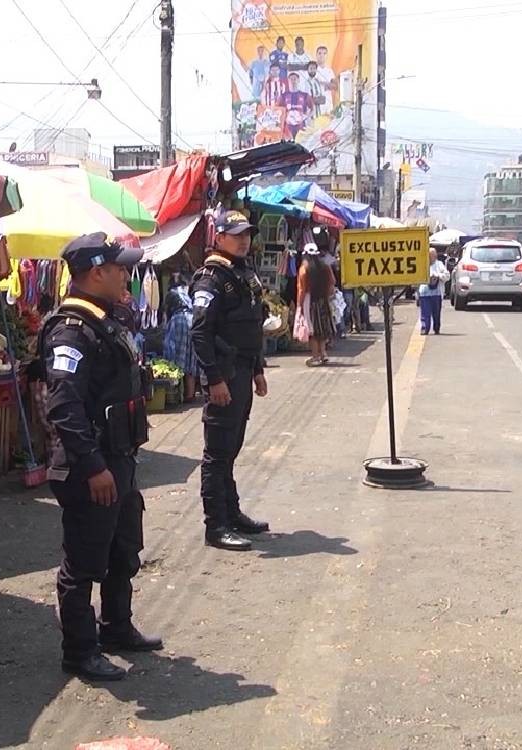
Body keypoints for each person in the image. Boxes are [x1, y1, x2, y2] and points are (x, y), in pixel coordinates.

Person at [40, 233, 162, 682]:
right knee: (84, 562)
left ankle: (116, 628)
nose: (127, 275)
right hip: (89, 466)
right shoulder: (71, 330)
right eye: (120, 268)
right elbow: (63, 406)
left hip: (119, 458)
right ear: (96, 273)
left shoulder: (103, 321)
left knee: (122, 550)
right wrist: (93, 467)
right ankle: (79, 650)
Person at [191, 208, 270, 552]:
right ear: (219, 237)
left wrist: (258, 369)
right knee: (217, 452)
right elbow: (200, 333)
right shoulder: (211, 278)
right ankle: (216, 525)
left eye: (247, 234)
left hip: (242, 369)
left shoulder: (243, 273)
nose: (243, 241)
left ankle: (232, 513)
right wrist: (214, 378)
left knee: (231, 448)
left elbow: (251, 325)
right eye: (236, 235)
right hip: (223, 374)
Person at [297, 243, 336, 366]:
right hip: (323, 300)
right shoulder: (325, 267)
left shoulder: (304, 269)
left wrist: (300, 304)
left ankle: (315, 357)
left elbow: (302, 290)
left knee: (312, 330)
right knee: (323, 329)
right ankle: (323, 354)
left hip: (310, 301)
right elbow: (332, 282)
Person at [162, 274, 198, 403]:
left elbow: (167, 312)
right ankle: (190, 394)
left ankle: (176, 394)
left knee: (176, 357)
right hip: (192, 321)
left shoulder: (171, 294)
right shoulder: (188, 291)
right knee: (190, 358)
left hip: (179, 321)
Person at [418, 248, 450, 335]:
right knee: (425, 313)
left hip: (436, 293)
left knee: (436, 313)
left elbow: (447, 276)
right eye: (429, 255)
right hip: (424, 293)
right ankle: (425, 328)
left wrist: (437, 276)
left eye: (433, 255)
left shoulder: (439, 265)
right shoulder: (422, 264)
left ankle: (436, 328)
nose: (431, 257)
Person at [279, 72, 311, 139]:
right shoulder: (283, 96)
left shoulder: (305, 95)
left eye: (295, 79)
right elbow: (277, 110)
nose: (293, 81)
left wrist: (306, 116)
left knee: (300, 145)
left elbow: (312, 108)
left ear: (298, 80)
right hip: (287, 128)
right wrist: (283, 118)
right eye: (291, 79)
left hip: (301, 127)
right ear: (288, 81)